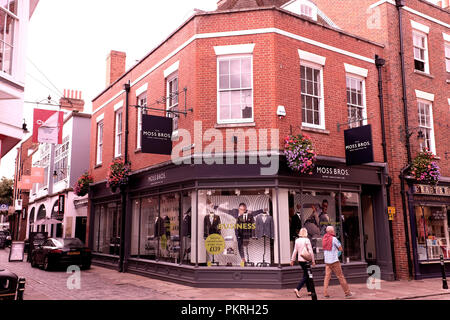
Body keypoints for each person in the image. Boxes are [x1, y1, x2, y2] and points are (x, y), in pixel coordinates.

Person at [322, 226, 354, 298]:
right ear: (331, 231)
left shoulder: (324, 238)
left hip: (327, 261)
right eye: (333, 230)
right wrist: (338, 254)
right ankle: (347, 293)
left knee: (327, 277)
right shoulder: (334, 239)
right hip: (334, 261)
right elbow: (340, 249)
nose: (334, 232)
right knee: (340, 277)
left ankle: (325, 293)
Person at [290, 228, 315, 298]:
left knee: (306, 273)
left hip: (300, 260)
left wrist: (292, 260)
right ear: (306, 233)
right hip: (306, 260)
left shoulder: (297, 240)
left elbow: (295, 251)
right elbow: (310, 251)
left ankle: (309, 291)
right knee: (307, 275)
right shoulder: (307, 240)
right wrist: (313, 261)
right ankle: (297, 288)